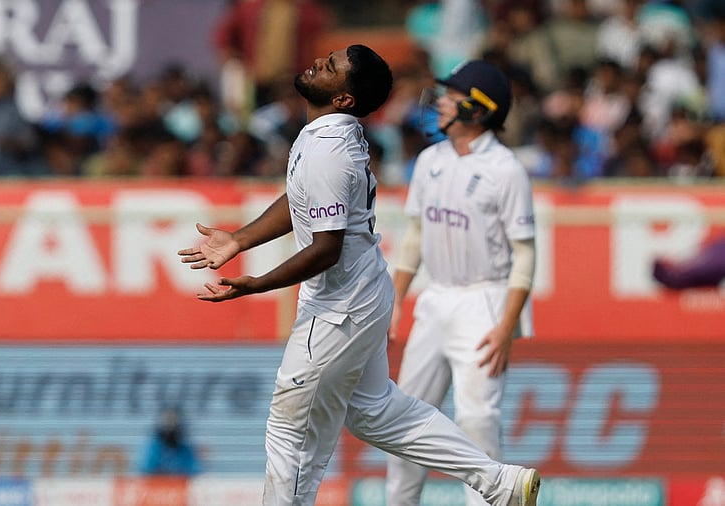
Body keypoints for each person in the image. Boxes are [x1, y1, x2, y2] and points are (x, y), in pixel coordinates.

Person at [178, 44, 540, 506]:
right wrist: (239, 240)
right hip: (364, 292)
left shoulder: (329, 147)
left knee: (290, 430)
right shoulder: (330, 134)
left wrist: (257, 284)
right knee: (375, 411)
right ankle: (499, 481)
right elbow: (301, 199)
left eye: (332, 67)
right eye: (326, 58)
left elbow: (325, 248)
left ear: (345, 98)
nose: (318, 63)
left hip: (338, 307)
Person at [385, 60, 537, 506]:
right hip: (436, 299)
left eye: (452, 95)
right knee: (404, 418)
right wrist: (395, 296)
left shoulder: (506, 170)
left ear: (478, 109)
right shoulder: (430, 160)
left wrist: (507, 324)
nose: (442, 102)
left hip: (484, 300)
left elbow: (525, 253)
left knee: (477, 421)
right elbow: (414, 235)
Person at [138, 406, 202, 476]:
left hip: (180, 485)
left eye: (174, 421)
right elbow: (146, 469)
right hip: (158, 485)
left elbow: (194, 470)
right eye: (168, 421)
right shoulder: (153, 447)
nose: (171, 426)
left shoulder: (185, 448)